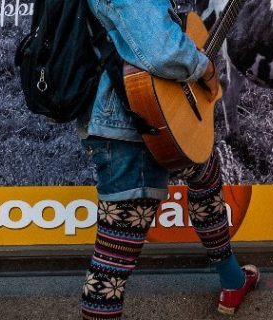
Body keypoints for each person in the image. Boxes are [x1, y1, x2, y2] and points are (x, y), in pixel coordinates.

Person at [77, 1, 258, 319]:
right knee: (112, 266)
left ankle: (232, 279)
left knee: (205, 172)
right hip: (129, 129)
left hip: (155, 115)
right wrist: (206, 69)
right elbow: (162, 51)